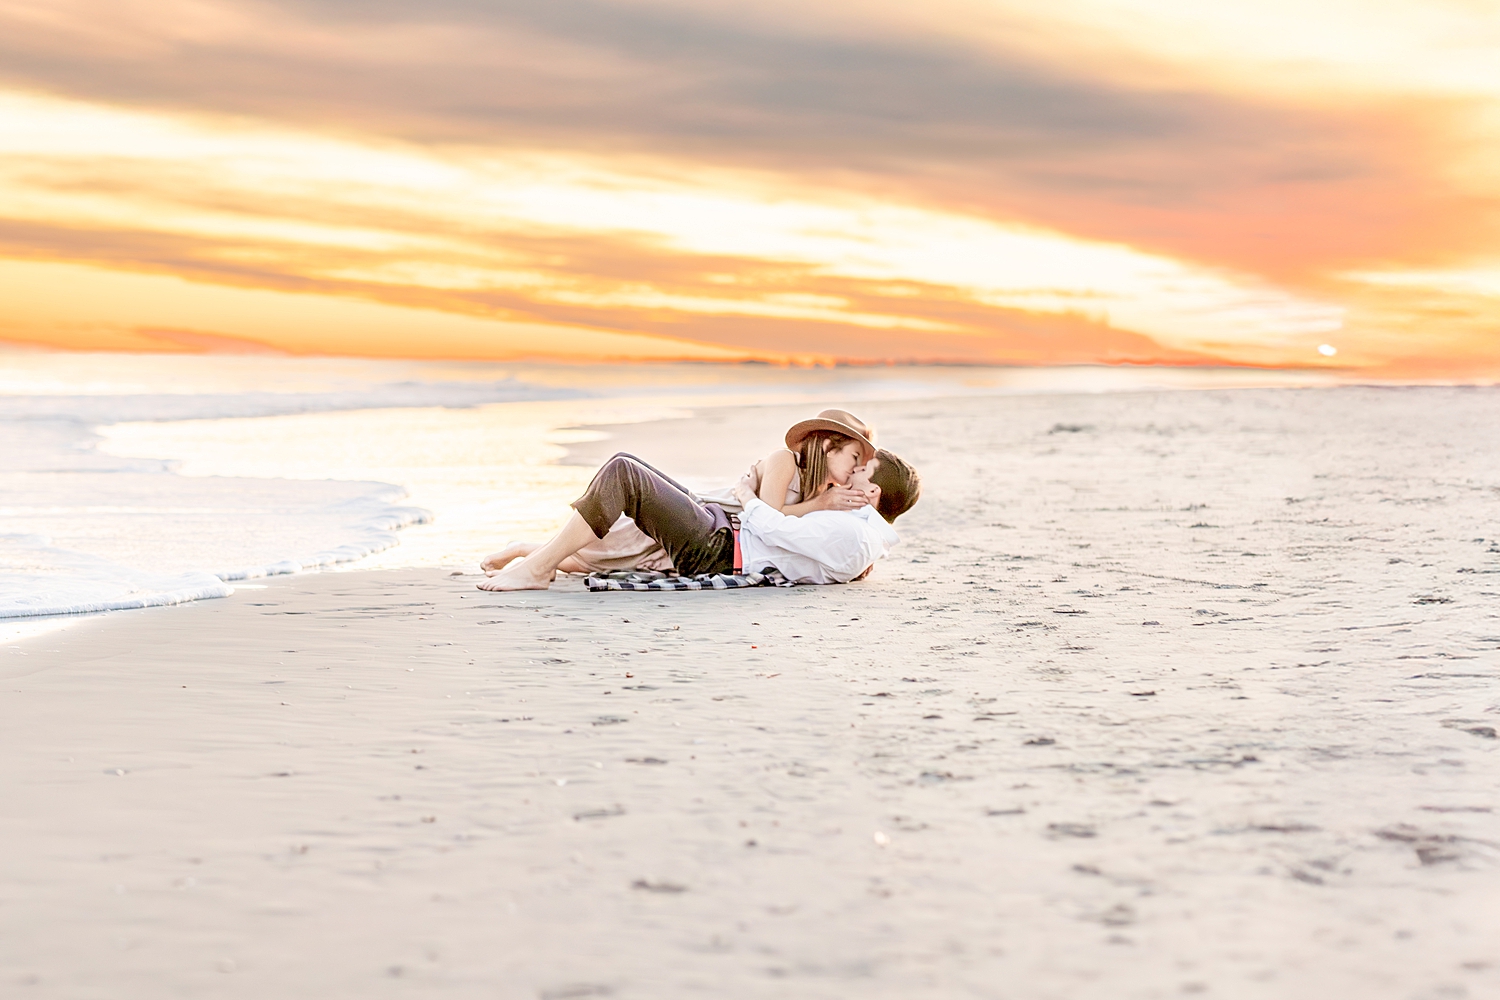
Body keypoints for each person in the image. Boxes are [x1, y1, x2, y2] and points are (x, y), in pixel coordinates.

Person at [481, 409, 881, 576]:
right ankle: (529, 554)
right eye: (851, 458)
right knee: (597, 555)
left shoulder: (821, 488)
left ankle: (524, 550)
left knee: (603, 561)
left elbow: (819, 539)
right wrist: (821, 504)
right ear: (827, 445)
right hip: (705, 514)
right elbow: (769, 517)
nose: (852, 472)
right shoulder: (785, 462)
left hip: (718, 528)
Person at [476, 446, 921, 591]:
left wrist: (747, 494)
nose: (849, 474)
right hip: (724, 538)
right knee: (631, 469)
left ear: (872, 492)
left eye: (859, 470)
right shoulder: (856, 529)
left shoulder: (851, 531)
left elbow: (773, 527)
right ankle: (539, 558)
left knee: (623, 473)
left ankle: (536, 569)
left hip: (721, 548)